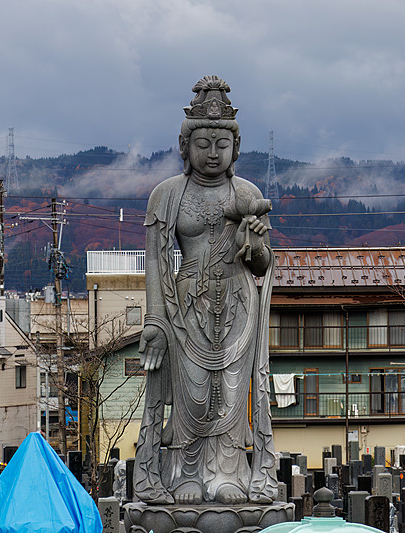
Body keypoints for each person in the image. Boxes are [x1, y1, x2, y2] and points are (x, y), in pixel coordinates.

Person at [134, 76, 277, 506]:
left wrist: (251, 243)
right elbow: (156, 265)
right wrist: (156, 321)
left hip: (238, 304)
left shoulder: (247, 193)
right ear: (185, 146)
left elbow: (262, 264)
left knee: (232, 392)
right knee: (191, 393)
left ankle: (229, 471)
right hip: (186, 308)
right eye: (203, 143)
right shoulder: (168, 195)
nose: (213, 153)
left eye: (221, 143)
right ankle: (184, 474)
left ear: (236, 146)